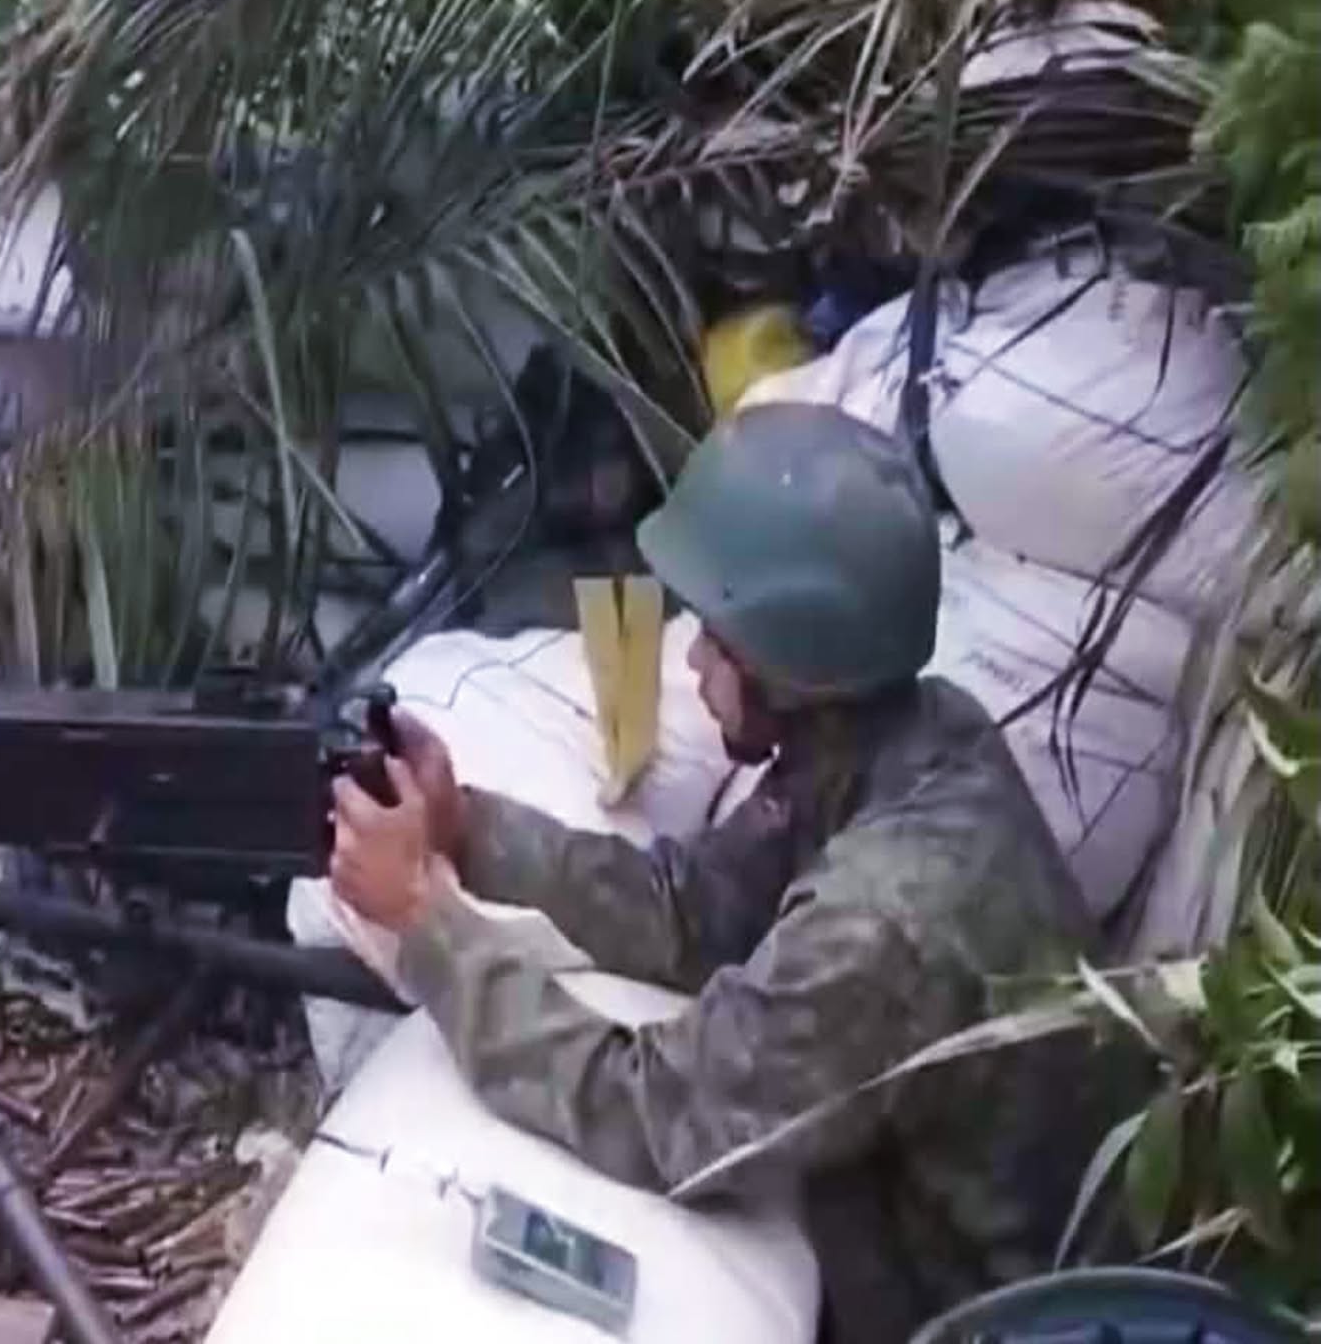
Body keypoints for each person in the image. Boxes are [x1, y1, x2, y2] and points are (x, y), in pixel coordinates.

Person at [328, 402, 1120, 1344]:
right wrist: (468, 827)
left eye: (717, 636)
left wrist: (427, 927)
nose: (696, 658)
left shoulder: (879, 928)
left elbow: (655, 1115)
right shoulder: (903, 740)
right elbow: (690, 909)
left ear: (792, 659)